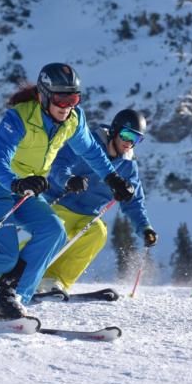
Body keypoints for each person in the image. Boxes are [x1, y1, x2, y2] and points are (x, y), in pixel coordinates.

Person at [0, 63, 135, 320]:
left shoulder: (73, 120)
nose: (66, 106)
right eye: (60, 98)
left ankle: (10, 299)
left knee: (54, 231)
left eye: (73, 99)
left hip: (27, 193)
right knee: (5, 255)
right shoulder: (19, 118)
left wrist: (113, 178)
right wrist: (16, 183)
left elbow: (92, 152)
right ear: (43, 95)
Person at [32, 109, 157, 296]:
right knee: (57, 231)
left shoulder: (128, 166)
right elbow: (59, 164)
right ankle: (12, 270)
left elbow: (133, 201)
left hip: (89, 214)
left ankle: (54, 279)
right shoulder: (88, 144)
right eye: (126, 135)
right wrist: (68, 180)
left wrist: (144, 227)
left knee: (98, 232)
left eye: (136, 139)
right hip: (60, 202)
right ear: (115, 130)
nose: (129, 142)